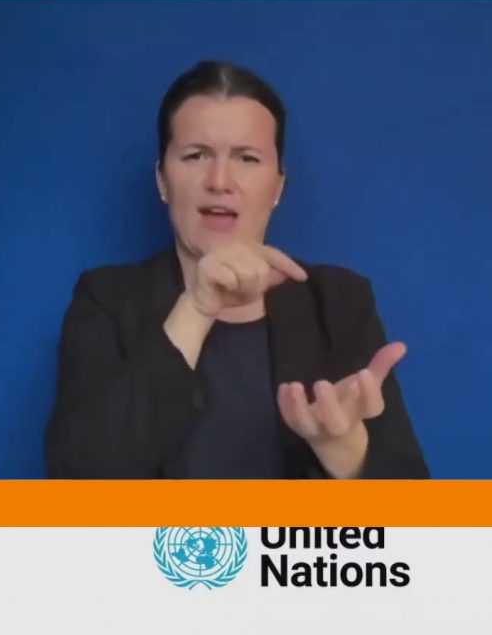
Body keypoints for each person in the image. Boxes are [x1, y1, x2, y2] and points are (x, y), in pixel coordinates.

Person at [44, 60, 428, 479]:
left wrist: (343, 448)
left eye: (247, 158)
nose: (220, 181)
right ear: (162, 180)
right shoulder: (106, 299)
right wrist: (197, 307)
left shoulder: (341, 301)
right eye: (196, 156)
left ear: (277, 186)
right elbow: (77, 475)